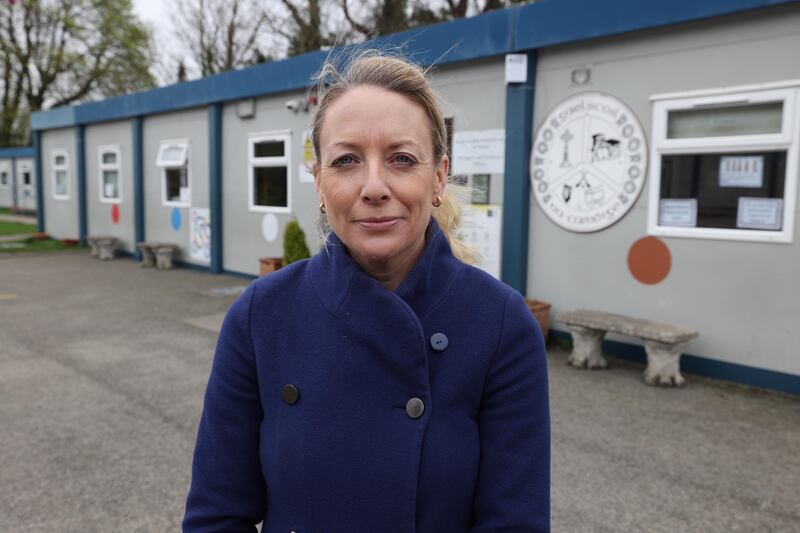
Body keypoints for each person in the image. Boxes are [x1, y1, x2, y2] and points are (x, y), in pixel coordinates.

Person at [183, 50, 550, 532]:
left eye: (401, 159)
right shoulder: (261, 316)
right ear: (319, 182)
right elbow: (217, 518)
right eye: (346, 160)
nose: (374, 186)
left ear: (438, 177)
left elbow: (515, 525)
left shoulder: (500, 323)